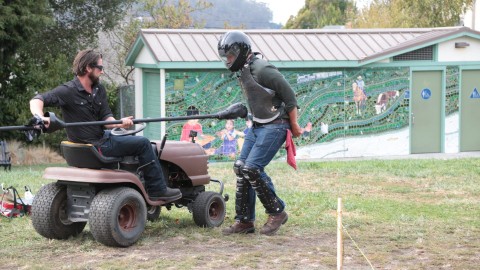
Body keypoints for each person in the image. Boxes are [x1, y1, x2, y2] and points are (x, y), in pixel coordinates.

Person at [29, 49, 181, 202]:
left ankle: (137, 181)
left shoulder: (98, 89)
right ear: (88, 68)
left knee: (127, 136)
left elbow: (106, 118)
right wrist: (39, 117)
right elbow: (37, 99)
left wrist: (119, 122)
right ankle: (157, 190)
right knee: (143, 143)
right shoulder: (67, 91)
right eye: (100, 68)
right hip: (95, 146)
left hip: (102, 137)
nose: (102, 72)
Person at [217, 31, 303, 236]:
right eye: (225, 57)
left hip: (276, 124)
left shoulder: (263, 69)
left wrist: (295, 125)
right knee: (241, 168)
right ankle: (245, 222)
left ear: (240, 52)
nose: (228, 61)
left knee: (253, 168)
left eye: (229, 56)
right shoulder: (245, 69)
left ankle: (277, 212)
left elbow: (290, 96)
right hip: (258, 125)